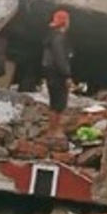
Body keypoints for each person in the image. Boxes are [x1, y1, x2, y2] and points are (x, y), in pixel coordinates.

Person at [42, 9, 73, 140]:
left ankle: (52, 130)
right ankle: (53, 131)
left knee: (54, 103)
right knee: (59, 104)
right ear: (64, 22)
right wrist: (67, 75)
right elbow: (60, 58)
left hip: (51, 74)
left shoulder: (51, 36)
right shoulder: (59, 39)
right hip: (58, 75)